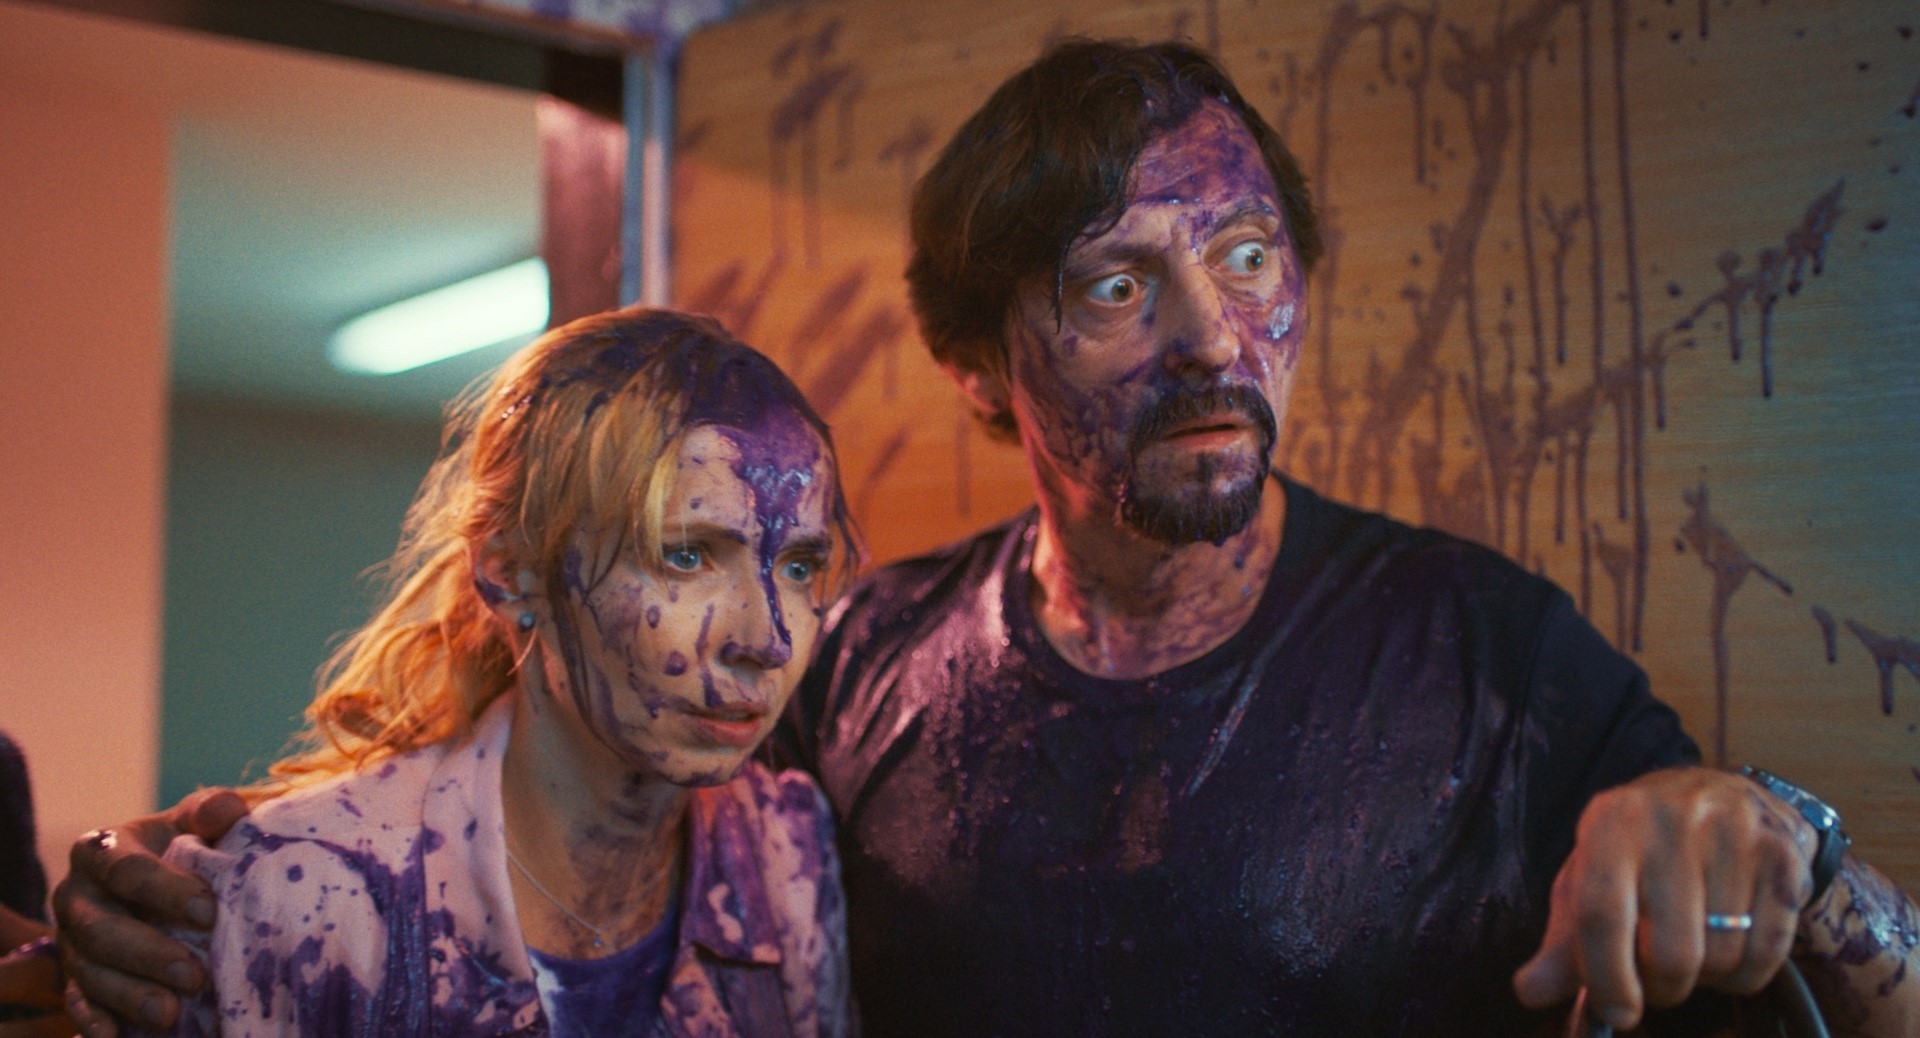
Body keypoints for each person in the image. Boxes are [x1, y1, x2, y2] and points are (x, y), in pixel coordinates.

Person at [54, 40, 1920, 1037]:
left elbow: (1858, 978)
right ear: (976, 367)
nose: (1212, 337)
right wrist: (229, 872)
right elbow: (568, 823)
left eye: (1246, 257)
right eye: (1116, 282)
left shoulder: (1489, 654)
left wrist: (1797, 848)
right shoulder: (858, 665)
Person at [112, 309, 857, 1036]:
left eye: (799, 566)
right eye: (686, 555)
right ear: (510, 574)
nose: (767, 640)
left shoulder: (785, 852)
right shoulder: (308, 892)